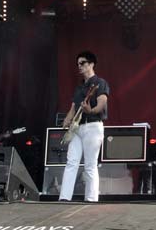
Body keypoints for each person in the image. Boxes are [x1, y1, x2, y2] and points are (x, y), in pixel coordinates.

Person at [59, 51, 109, 202]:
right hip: (77, 127)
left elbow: (102, 102)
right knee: (71, 162)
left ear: (91, 64)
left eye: (82, 63)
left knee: (90, 164)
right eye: (78, 64)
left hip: (93, 126)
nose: (79, 66)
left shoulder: (100, 83)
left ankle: (91, 199)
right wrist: (66, 121)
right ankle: (64, 198)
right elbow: (74, 107)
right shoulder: (79, 88)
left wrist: (91, 110)